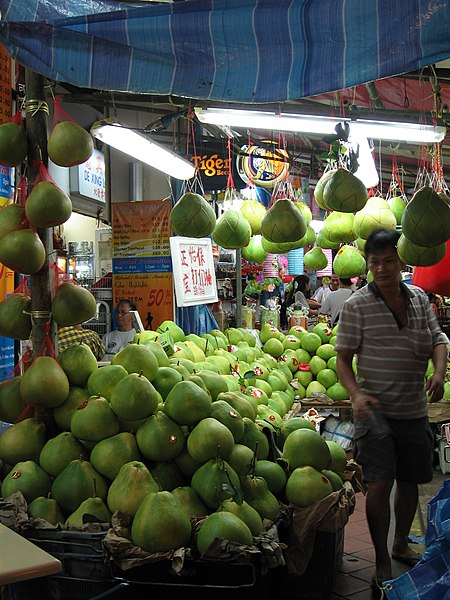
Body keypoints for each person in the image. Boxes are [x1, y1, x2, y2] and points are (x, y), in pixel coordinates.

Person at [334, 228, 448, 593]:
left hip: (414, 410)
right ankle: (383, 559)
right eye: (374, 262)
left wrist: (440, 372)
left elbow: (438, 340)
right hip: (375, 415)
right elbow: (342, 359)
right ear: (367, 266)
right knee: (380, 485)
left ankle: (401, 542)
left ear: (401, 262)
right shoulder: (356, 306)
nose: (382, 268)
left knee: (412, 481)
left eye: (388, 260)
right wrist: (355, 393)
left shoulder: (417, 299)